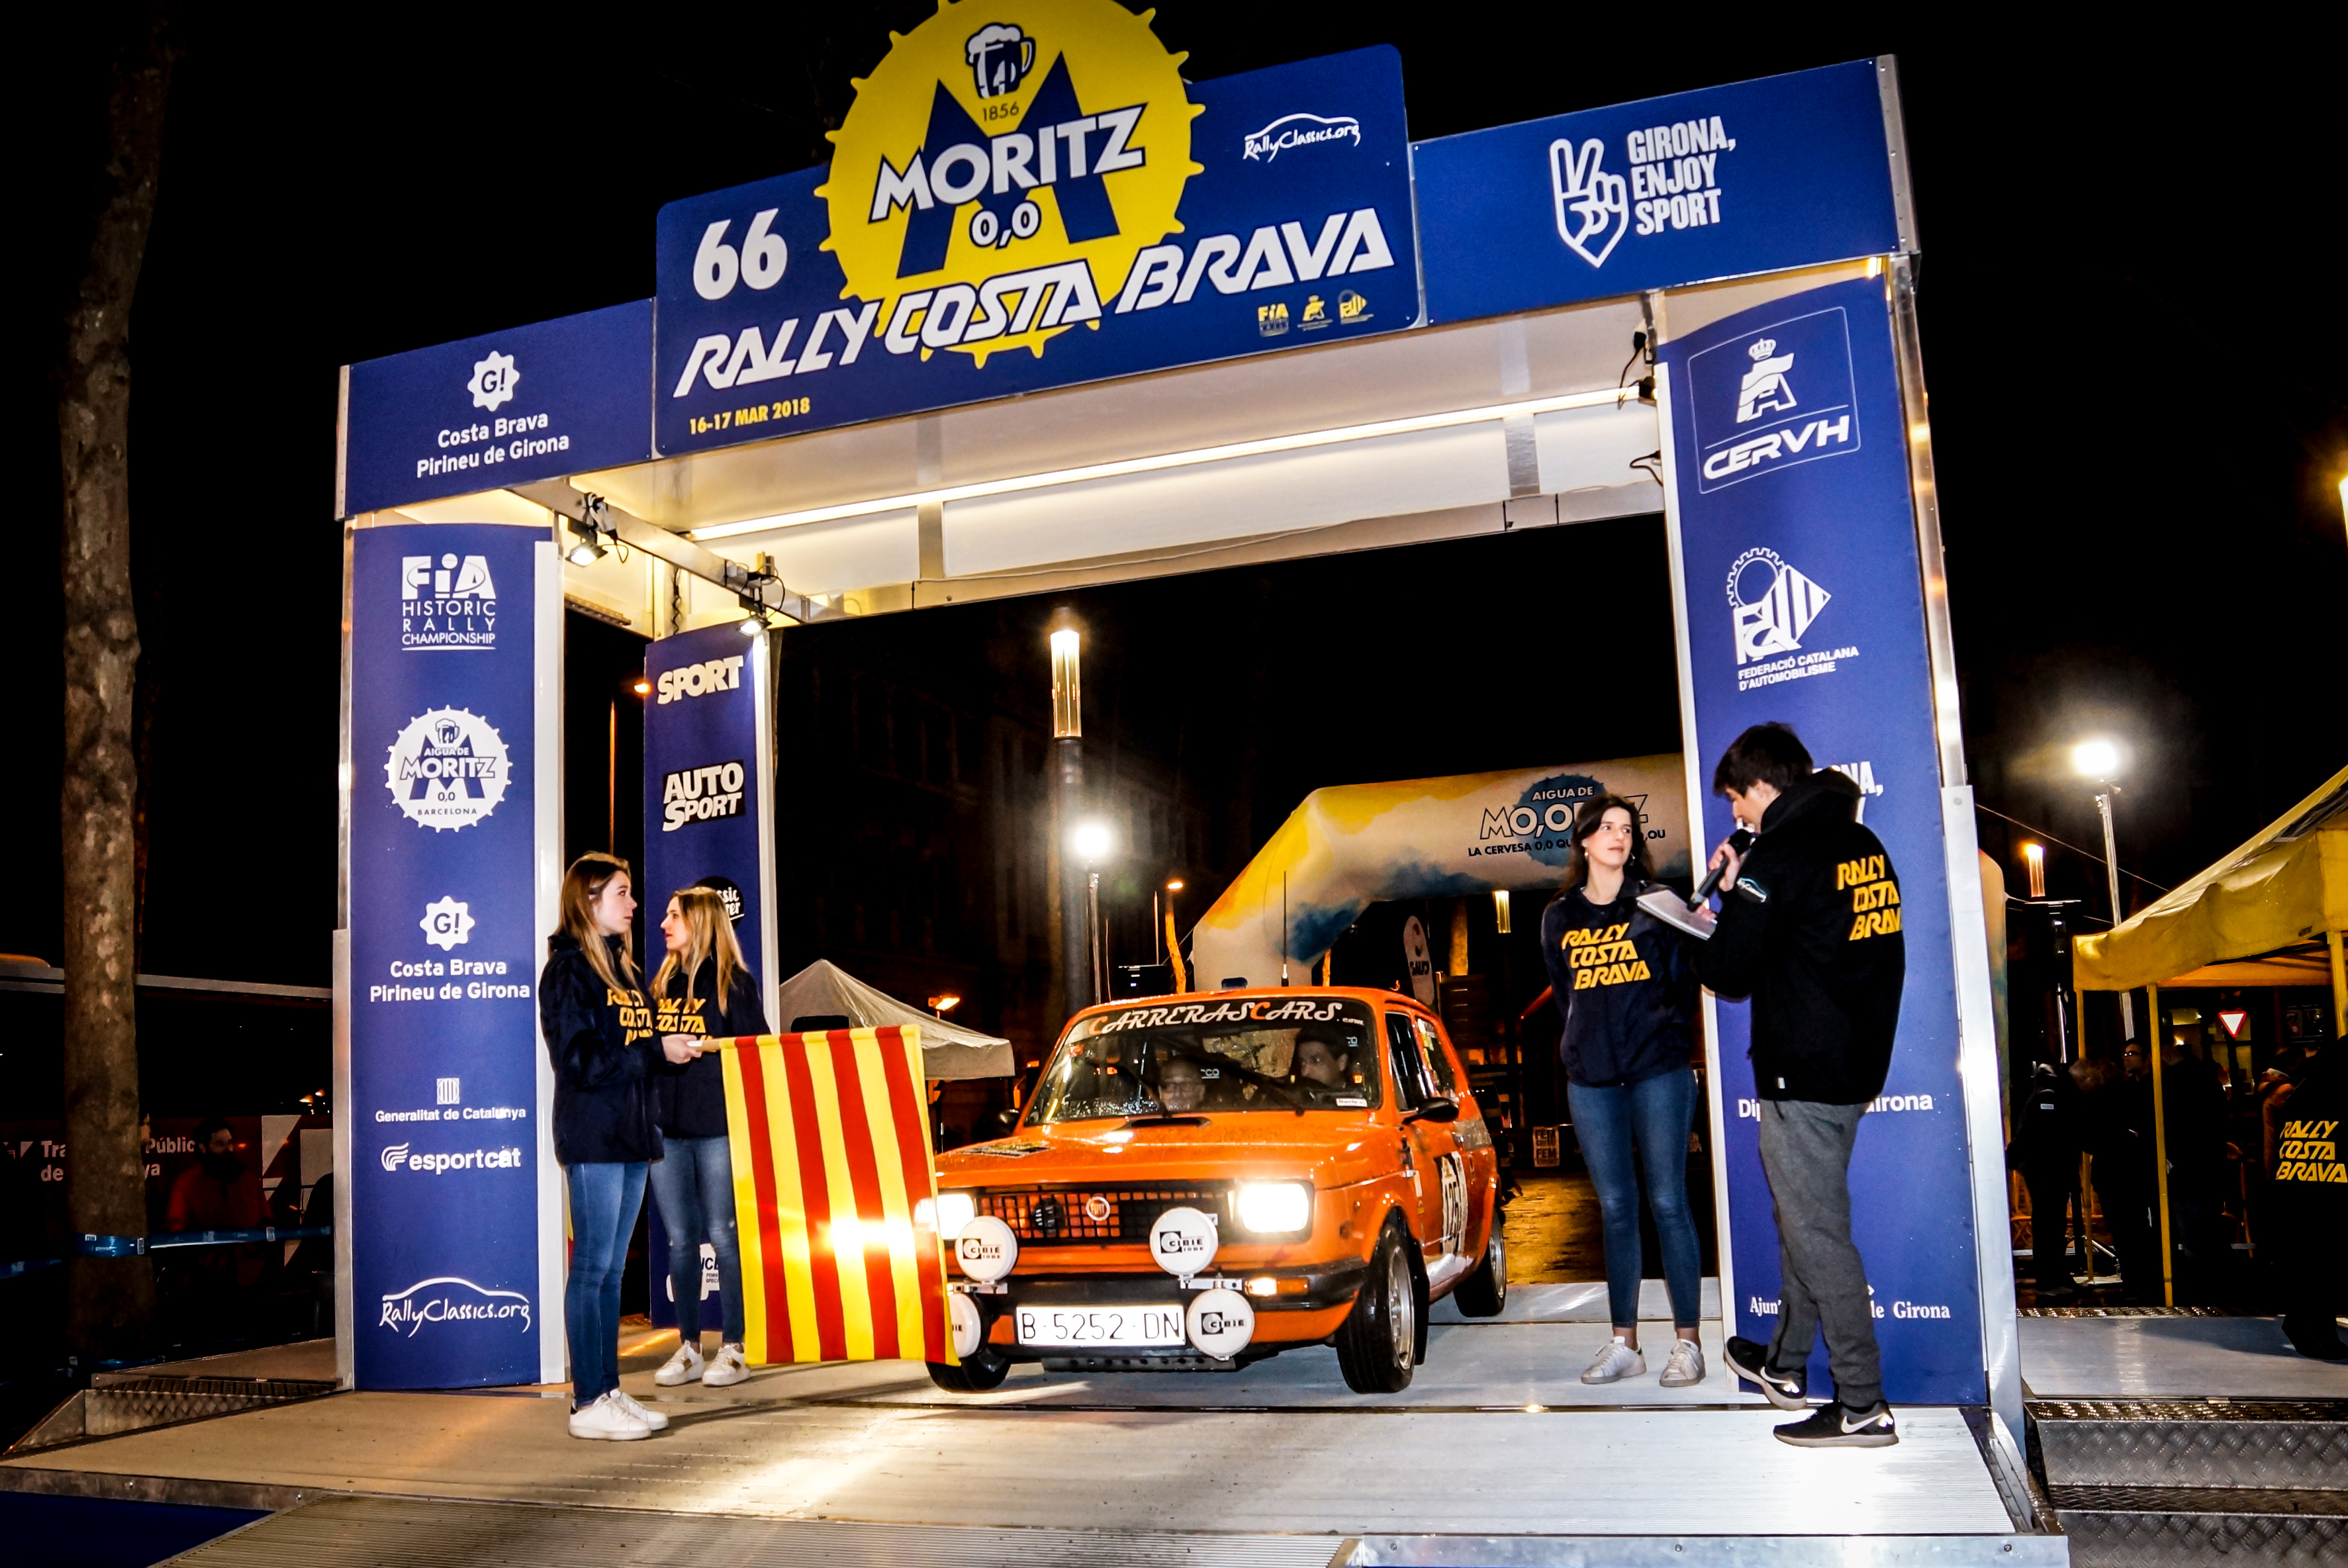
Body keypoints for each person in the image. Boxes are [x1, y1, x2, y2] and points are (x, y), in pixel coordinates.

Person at [1694, 724, 1904, 1449]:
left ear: (1761, 785)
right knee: (1803, 1219)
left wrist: (1710, 910)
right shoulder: (1861, 843)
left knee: (1816, 1233)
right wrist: (1745, 890)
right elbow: (1812, 940)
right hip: (1852, 1066)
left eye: (1735, 798)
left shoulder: (1777, 855)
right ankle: (1784, 1364)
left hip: (1802, 1071)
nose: (1734, 814)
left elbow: (1726, 971)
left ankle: (1862, 1402)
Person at [1537, 794, 1706, 1389]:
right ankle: (1624, 1344)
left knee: (1667, 1201)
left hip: (1658, 1071)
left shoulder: (1658, 904)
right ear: (1584, 840)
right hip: (1592, 1081)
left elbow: (1685, 982)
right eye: (1606, 827)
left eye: (1627, 828)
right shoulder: (1558, 916)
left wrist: (1659, 1033)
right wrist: (1586, 1047)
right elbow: (1565, 996)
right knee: (1614, 1207)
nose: (1618, 836)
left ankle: (1688, 1343)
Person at [540, 853, 697, 1441]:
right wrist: (656, 1050)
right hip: (593, 1135)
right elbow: (579, 1061)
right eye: (622, 893)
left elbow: (637, 1050)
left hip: (631, 1135)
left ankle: (607, 1389)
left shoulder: (624, 970)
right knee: (592, 1269)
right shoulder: (569, 971)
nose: (634, 904)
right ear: (589, 900)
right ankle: (587, 1399)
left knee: (610, 1274)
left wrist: (671, 1047)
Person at [647, 886, 769, 1391]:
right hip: (666, 1132)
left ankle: (734, 1347)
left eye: (674, 915)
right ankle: (690, 1347)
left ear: (700, 921)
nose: (663, 924)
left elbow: (757, 1050)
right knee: (679, 1240)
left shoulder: (732, 983)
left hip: (718, 1129)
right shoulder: (660, 983)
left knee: (723, 1234)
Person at [2011, 1062, 2084, 1300]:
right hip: (2050, 1172)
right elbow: (2049, 1137)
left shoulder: (2040, 1098)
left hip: (2043, 1171)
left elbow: (2027, 1136)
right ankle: (2050, 1279)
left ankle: (2053, 1278)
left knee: (2049, 1226)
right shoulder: (2050, 1099)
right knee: (2050, 1227)